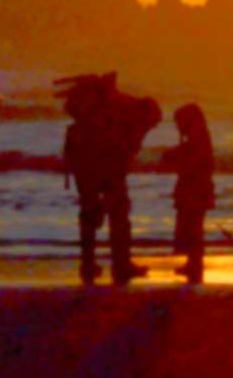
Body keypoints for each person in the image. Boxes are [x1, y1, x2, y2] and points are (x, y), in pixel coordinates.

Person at [58, 73, 159, 285]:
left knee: (89, 215)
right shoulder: (126, 112)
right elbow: (120, 148)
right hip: (104, 166)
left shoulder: (116, 107)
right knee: (118, 216)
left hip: (83, 162)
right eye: (151, 125)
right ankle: (121, 266)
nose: (149, 129)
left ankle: (88, 265)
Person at [165, 103, 216, 285]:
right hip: (194, 188)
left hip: (195, 189)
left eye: (179, 122)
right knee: (192, 226)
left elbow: (194, 162)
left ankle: (195, 263)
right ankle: (193, 262)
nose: (178, 127)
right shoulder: (199, 138)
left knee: (193, 227)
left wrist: (176, 156)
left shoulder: (198, 140)